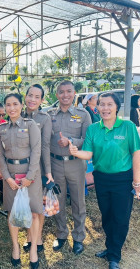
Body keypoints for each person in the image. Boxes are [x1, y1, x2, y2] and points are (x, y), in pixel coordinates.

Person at [69, 92, 140, 269]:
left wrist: (136, 181)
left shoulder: (127, 127)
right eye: (102, 104)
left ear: (116, 107)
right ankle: (110, 247)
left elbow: (136, 154)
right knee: (107, 216)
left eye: (109, 104)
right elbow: (88, 153)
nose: (105, 108)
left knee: (120, 218)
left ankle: (114, 256)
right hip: (102, 179)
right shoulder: (94, 129)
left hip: (123, 179)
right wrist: (76, 152)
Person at [0, 93, 42, 269]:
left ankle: (34, 249)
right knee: (12, 213)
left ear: (22, 105)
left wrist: (30, 177)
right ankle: (15, 247)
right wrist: (7, 178)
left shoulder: (31, 125)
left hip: (31, 174)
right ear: (5, 108)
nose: (12, 108)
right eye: (8, 105)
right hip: (11, 176)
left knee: (34, 213)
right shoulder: (2, 129)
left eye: (15, 104)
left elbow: (37, 151)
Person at [48, 80, 91, 255]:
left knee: (78, 201)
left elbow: (88, 140)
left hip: (75, 164)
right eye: (61, 92)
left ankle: (79, 236)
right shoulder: (48, 115)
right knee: (57, 201)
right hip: (55, 164)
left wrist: (72, 141)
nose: (65, 95)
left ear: (74, 93)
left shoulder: (83, 114)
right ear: (56, 95)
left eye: (69, 91)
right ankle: (62, 233)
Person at [22, 84, 54, 254]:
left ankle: (38, 238)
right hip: (20, 167)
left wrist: (47, 171)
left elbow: (46, 146)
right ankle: (29, 237)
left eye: (37, 97)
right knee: (26, 204)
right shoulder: (17, 114)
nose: (32, 99)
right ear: (25, 96)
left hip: (39, 167)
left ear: (42, 100)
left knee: (37, 205)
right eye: (30, 95)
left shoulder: (44, 118)